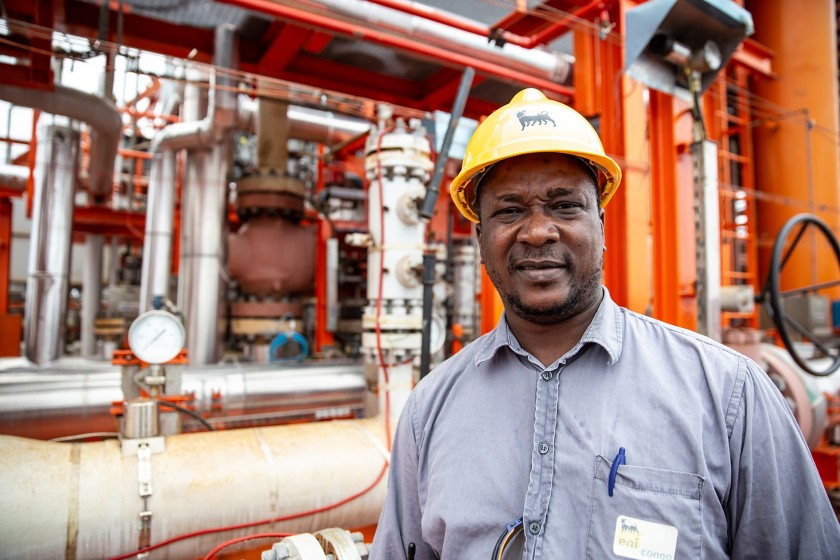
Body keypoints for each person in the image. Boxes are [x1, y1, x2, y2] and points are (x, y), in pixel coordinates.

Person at [369, 88, 840, 559]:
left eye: (564, 205)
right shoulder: (429, 411)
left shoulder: (728, 396)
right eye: (509, 210)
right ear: (480, 237)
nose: (537, 231)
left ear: (601, 222)